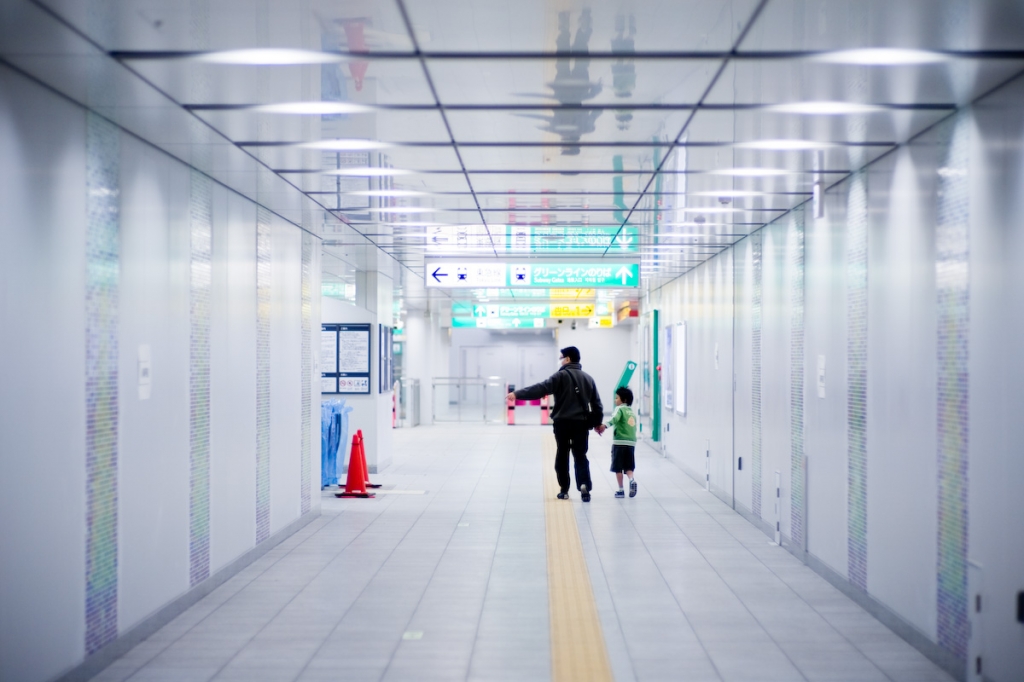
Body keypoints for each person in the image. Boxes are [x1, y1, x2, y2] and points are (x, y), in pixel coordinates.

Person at [507, 346, 603, 502]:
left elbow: (540, 389)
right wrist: (597, 423)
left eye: (561, 358)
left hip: (562, 423)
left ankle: (564, 489)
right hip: (581, 423)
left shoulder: (560, 376)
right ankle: (584, 485)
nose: (560, 361)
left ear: (568, 359)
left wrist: (517, 394)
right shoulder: (588, 378)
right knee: (580, 455)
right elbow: (597, 404)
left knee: (562, 454)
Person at [597, 386, 637, 498]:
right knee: (629, 466)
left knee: (618, 467)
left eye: (617, 398)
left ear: (623, 400)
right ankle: (632, 480)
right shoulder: (631, 412)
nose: (615, 400)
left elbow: (613, 419)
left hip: (619, 443)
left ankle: (621, 490)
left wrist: (604, 426)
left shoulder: (619, 409)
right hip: (631, 444)